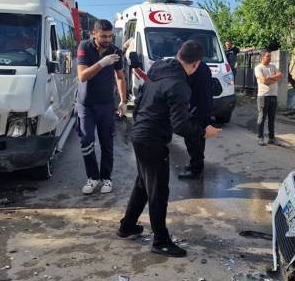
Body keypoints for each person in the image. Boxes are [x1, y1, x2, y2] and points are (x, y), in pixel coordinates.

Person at [118, 40, 221, 257]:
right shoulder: (179, 84)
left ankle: (127, 226)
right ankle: (161, 241)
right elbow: (181, 125)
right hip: (152, 140)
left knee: (143, 185)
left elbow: (139, 102)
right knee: (158, 191)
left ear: (178, 54)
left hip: (139, 135)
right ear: (196, 64)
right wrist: (204, 132)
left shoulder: (157, 70)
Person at [76, 19, 128, 195]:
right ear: (94, 34)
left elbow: (120, 77)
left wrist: (123, 100)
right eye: (103, 36)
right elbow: (82, 76)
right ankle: (92, 177)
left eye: (110, 36)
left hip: (106, 104)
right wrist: (102, 63)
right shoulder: (84, 47)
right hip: (86, 104)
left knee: (107, 142)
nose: (107, 39)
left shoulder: (115, 51)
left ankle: (106, 178)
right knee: (86, 139)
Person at [178, 60, 214, 180]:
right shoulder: (204, 66)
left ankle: (196, 170)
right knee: (198, 139)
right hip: (204, 108)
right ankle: (196, 165)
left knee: (193, 140)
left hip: (195, 109)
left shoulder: (193, 68)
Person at [254, 50, 283, 145]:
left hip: (273, 96)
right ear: (262, 57)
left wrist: (269, 78)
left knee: (272, 118)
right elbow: (264, 81)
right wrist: (274, 78)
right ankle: (260, 138)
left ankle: (271, 138)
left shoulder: (273, 66)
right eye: (268, 56)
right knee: (262, 117)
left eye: (270, 56)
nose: (270, 58)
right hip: (263, 96)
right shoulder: (258, 68)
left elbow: (280, 75)